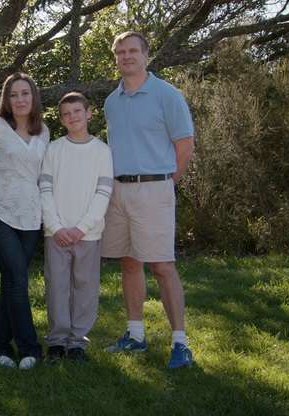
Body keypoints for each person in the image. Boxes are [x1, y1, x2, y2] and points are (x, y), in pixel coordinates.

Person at [101, 31, 195, 368]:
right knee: (129, 262)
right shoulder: (112, 101)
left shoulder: (166, 95)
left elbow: (185, 147)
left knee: (162, 266)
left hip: (155, 189)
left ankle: (180, 344)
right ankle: (136, 335)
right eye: (120, 52)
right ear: (116, 58)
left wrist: (165, 184)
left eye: (132, 51)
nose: (126, 57)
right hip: (119, 190)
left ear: (145, 55)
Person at [0, 72, 49, 370]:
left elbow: (44, 175)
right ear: (6, 100)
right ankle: (30, 348)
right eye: (14, 95)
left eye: (25, 93)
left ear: (33, 97)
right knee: (19, 280)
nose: (20, 99)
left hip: (32, 216)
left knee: (11, 281)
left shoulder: (43, 131)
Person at [39, 92, 113, 363]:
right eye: (66, 114)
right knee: (57, 286)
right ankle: (57, 341)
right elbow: (45, 189)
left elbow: (103, 193)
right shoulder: (54, 150)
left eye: (77, 111)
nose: (72, 117)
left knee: (85, 286)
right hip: (56, 233)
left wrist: (82, 228)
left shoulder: (102, 151)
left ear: (89, 113)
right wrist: (56, 227)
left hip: (88, 233)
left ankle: (77, 342)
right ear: (61, 119)